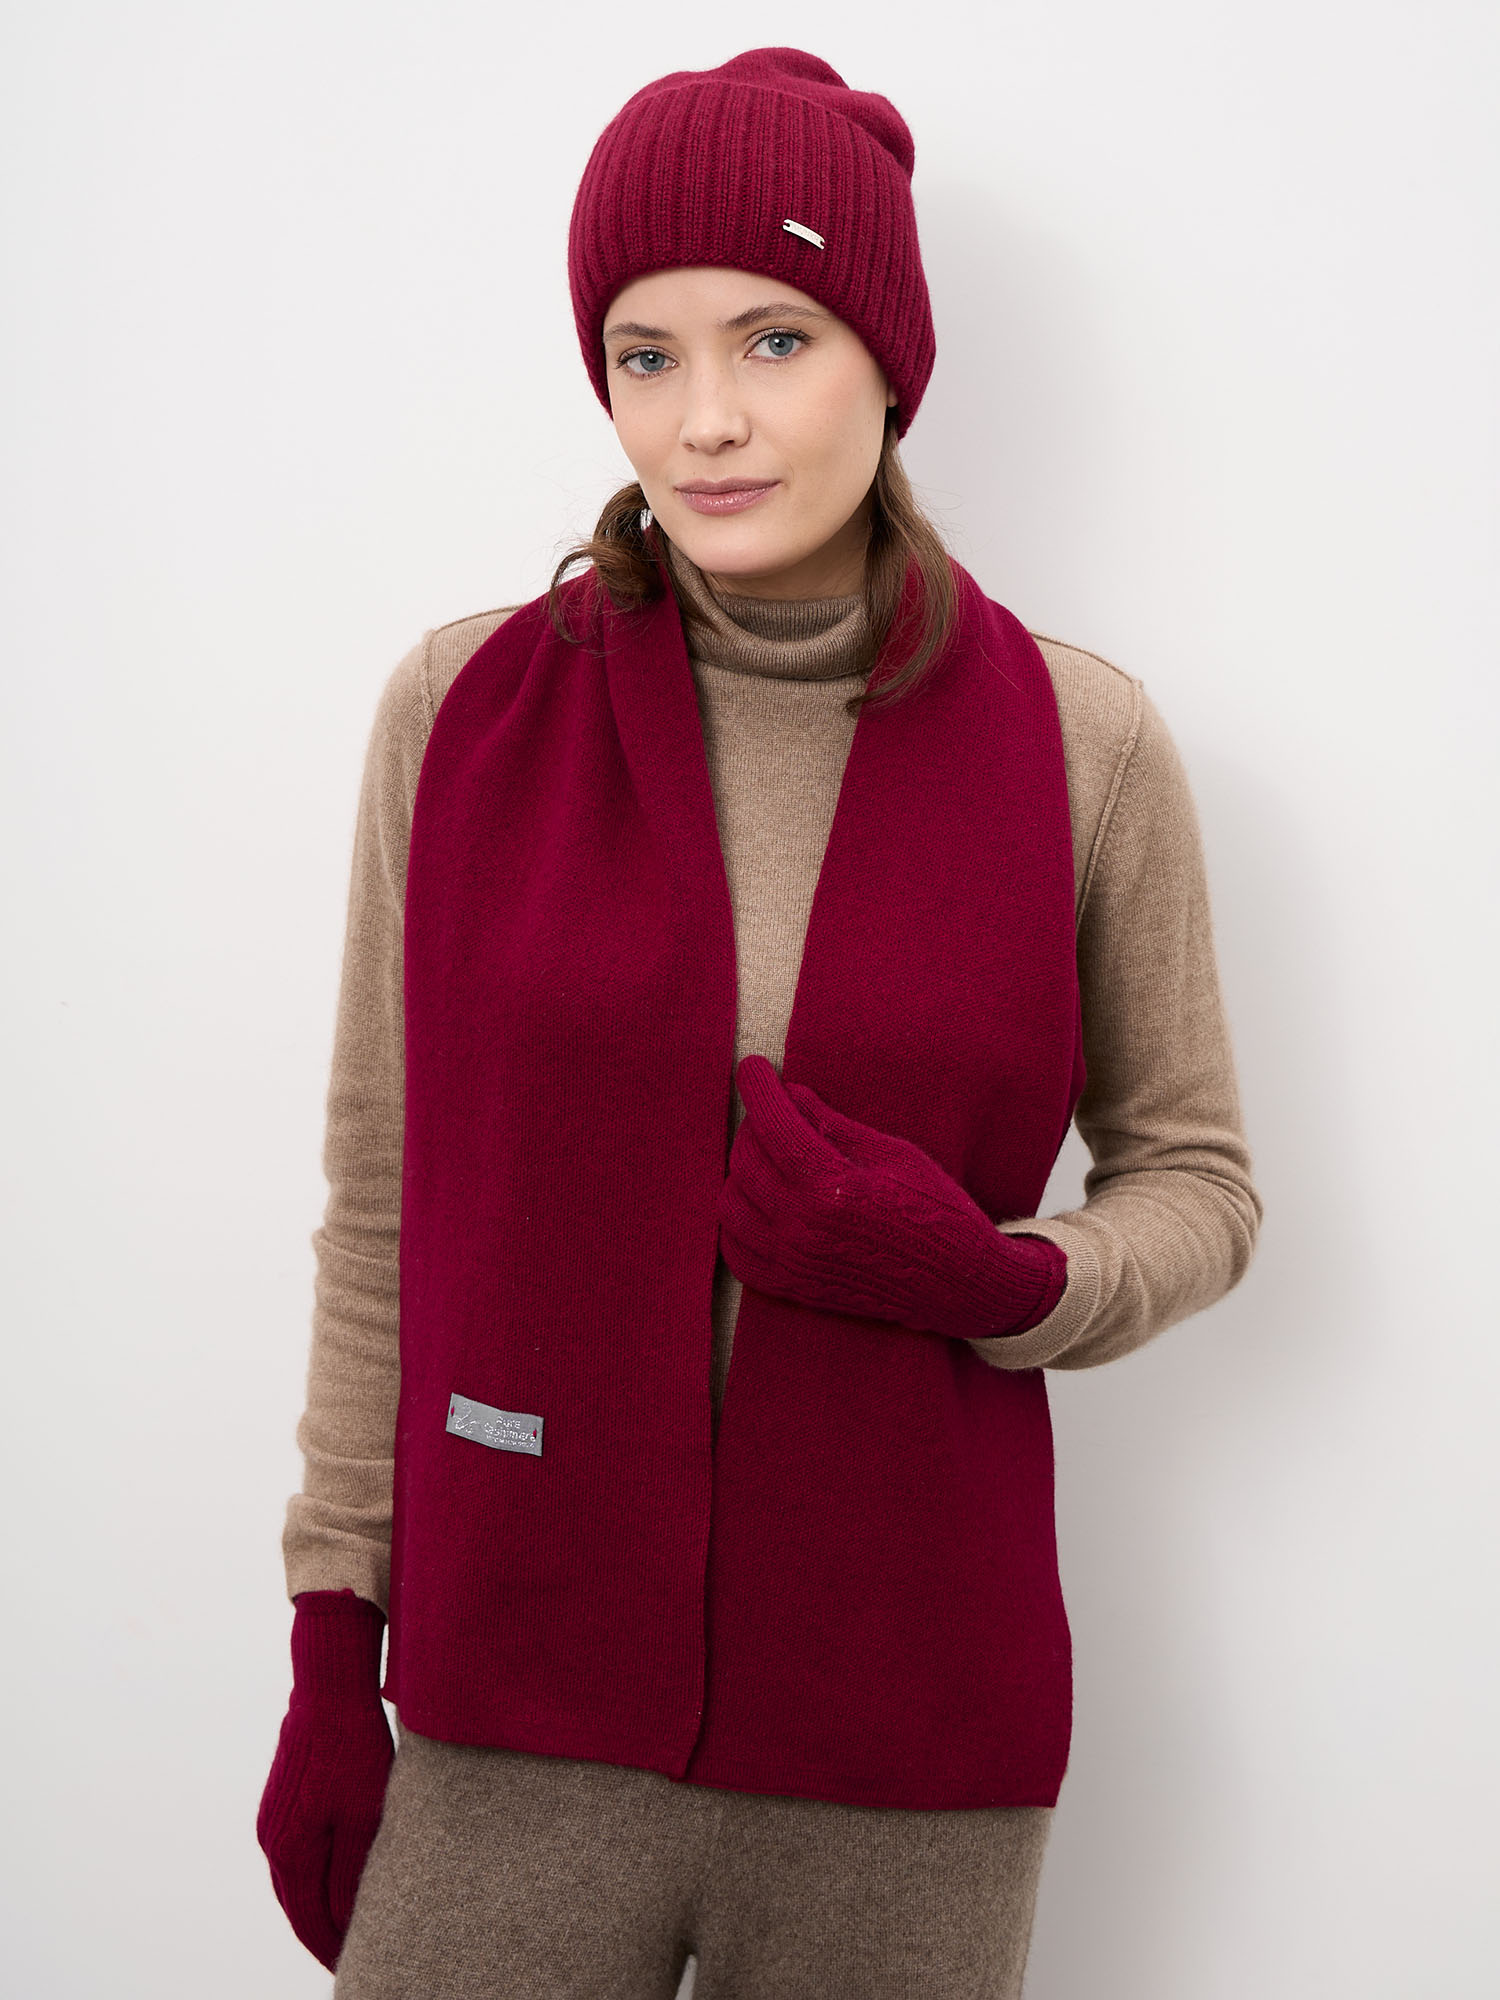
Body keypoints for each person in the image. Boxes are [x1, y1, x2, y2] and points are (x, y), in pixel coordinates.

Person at [256, 45, 1263, 1999]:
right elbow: (386, 1202)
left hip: (907, 1733)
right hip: (511, 1693)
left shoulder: (1085, 747)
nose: (704, 417)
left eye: (773, 340)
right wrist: (328, 1640)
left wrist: (990, 1276)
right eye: (646, 355)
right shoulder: (462, 713)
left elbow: (1200, 1186)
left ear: (890, 364)